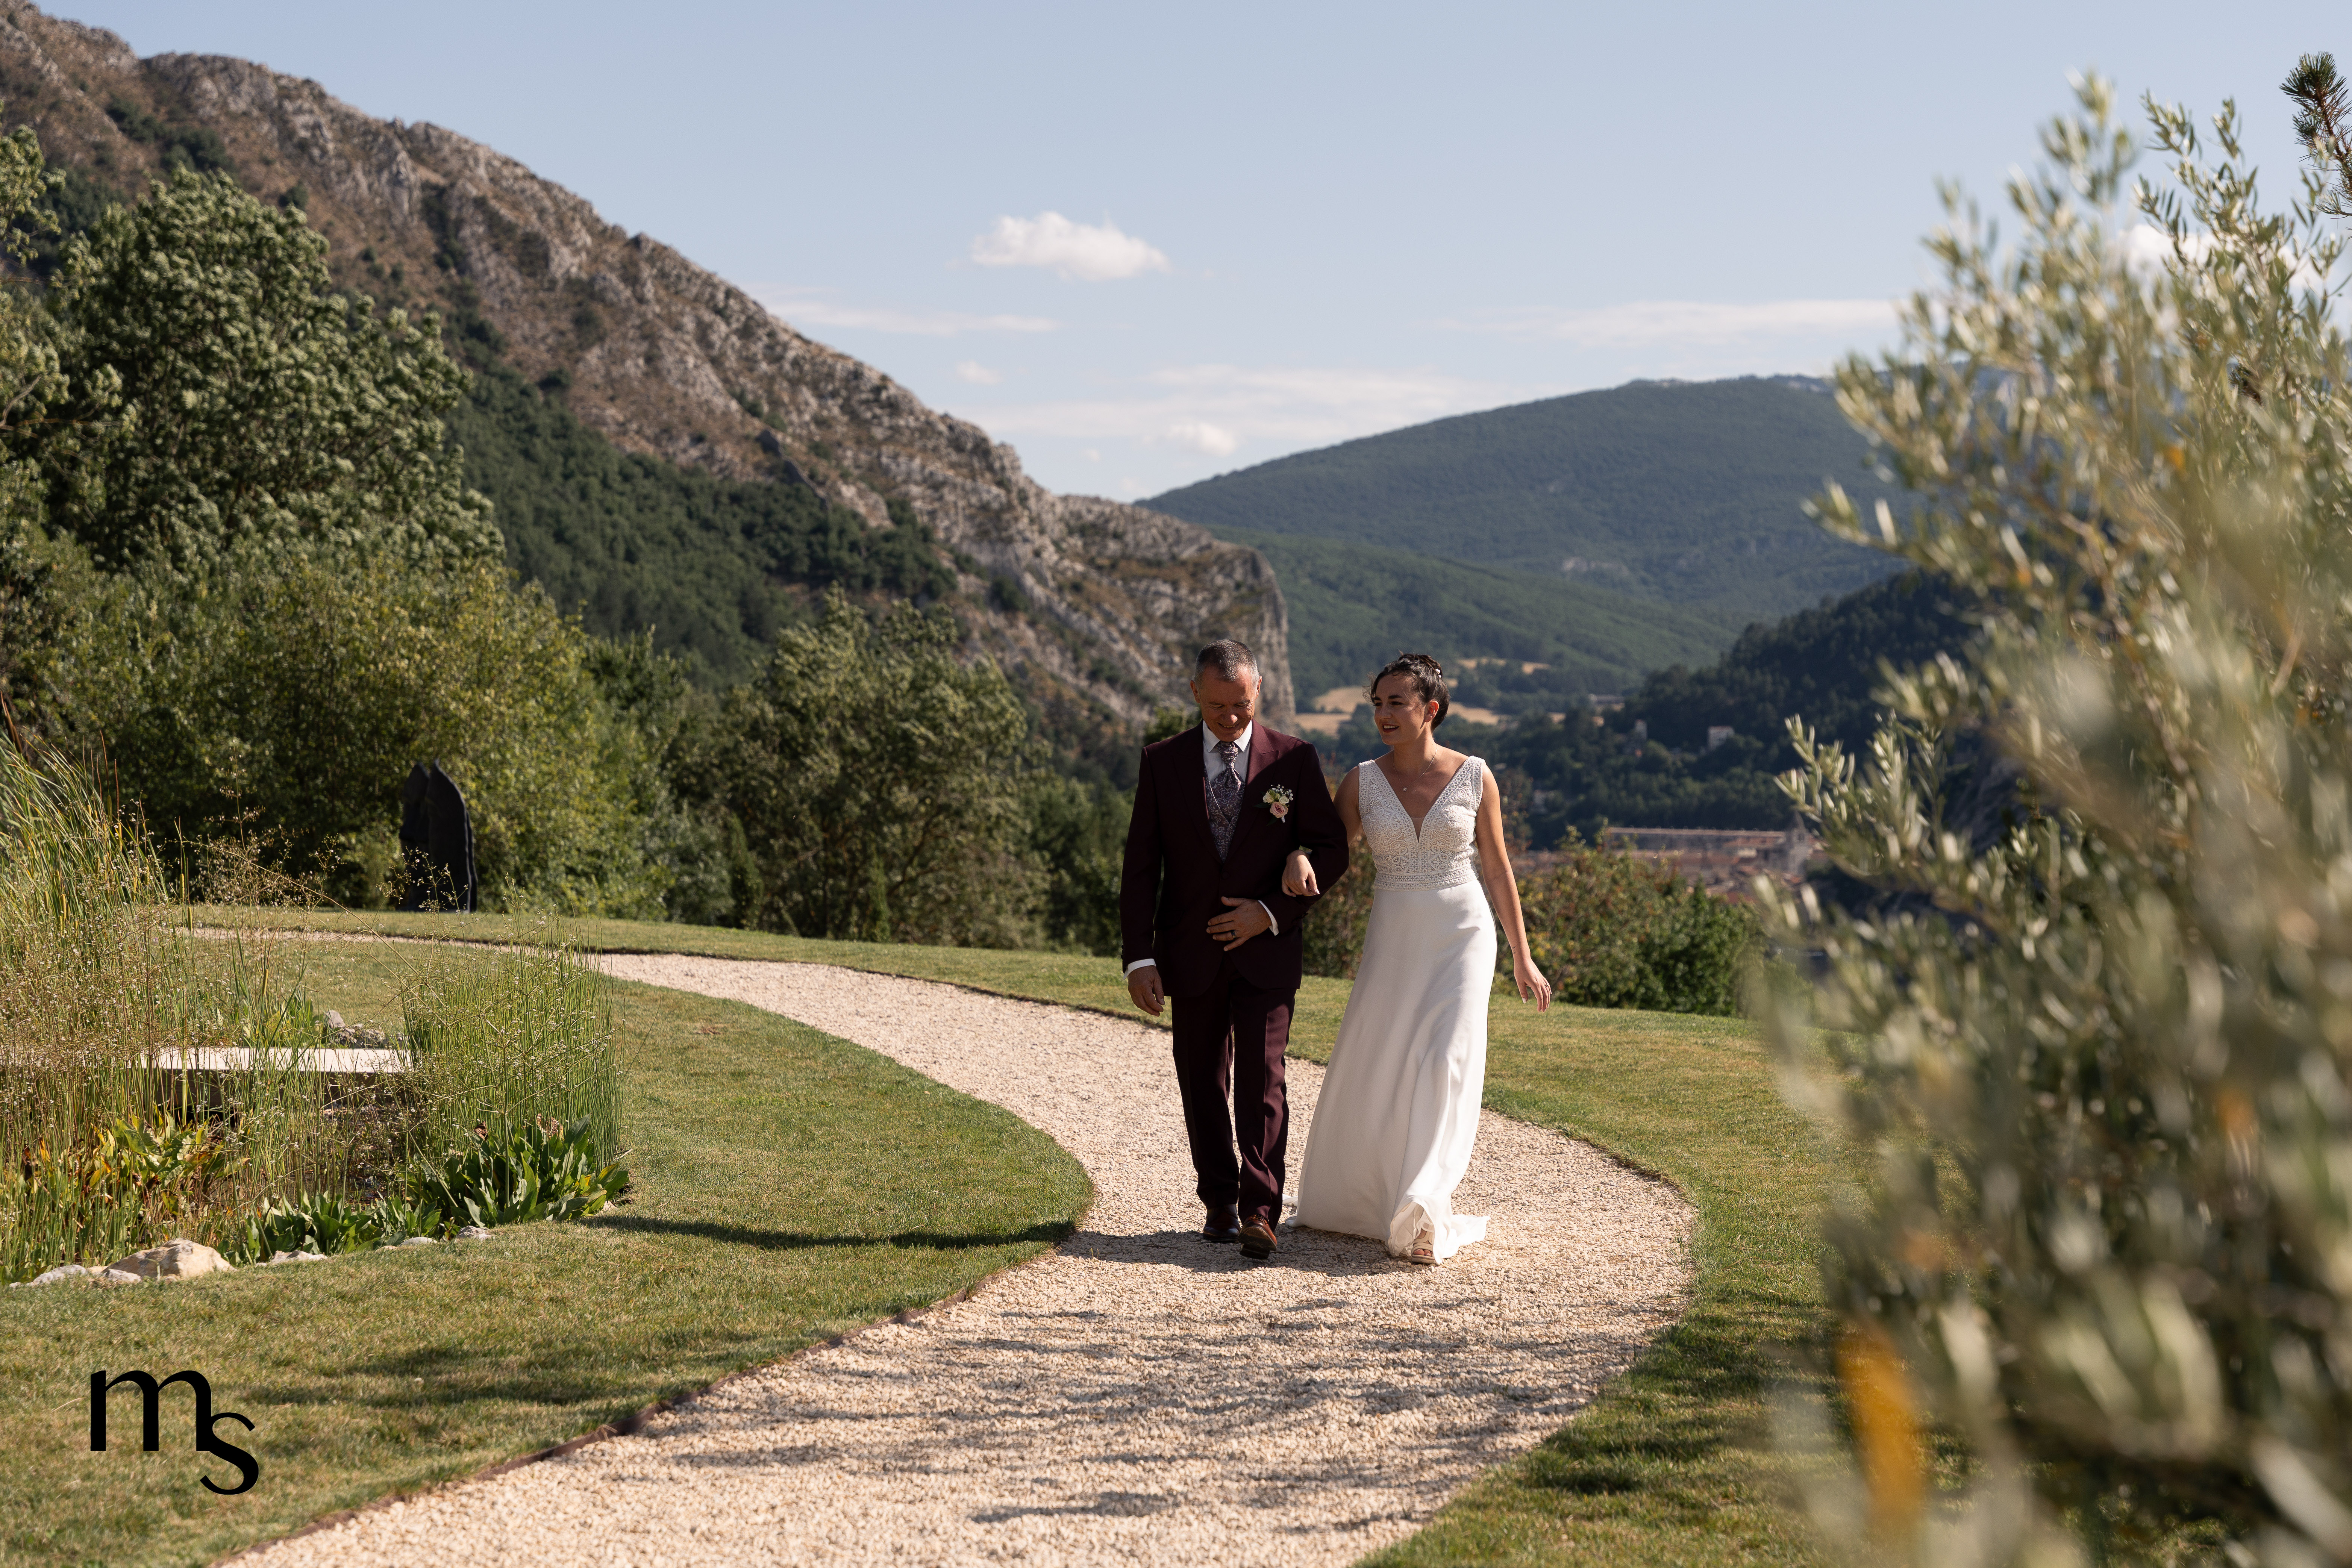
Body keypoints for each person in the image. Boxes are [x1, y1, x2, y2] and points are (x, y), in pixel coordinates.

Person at [1284, 653, 1551, 1266]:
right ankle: (1367, 1194)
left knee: (1448, 1061)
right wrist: (1299, 857)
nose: (1383, 714)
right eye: (1377, 703)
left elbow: (1499, 867)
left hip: (1464, 934)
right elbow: (1332, 853)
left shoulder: (1476, 775)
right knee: (1383, 1060)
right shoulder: (1360, 781)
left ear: (1430, 709)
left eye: (1396, 702)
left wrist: (1522, 956)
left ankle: (1425, 1202)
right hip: (1393, 937)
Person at [1120, 639, 1350, 1260]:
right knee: (1201, 1079)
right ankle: (1219, 1199)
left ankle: (1260, 1209)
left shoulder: (1295, 761)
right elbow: (1141, 868)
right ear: (1195, 692)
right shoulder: (1162, 762)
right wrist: (1139, 957)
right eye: (1219, 706)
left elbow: (1331, 850)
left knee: (1263, 1078)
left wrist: (1271, 911)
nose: (1230, 719)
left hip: (1268, 951)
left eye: (1242, 707)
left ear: (1259, 695)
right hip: (1188, 954)